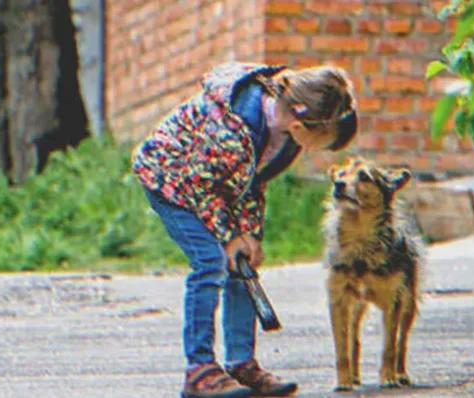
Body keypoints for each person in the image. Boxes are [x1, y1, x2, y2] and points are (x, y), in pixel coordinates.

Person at [132, 61, 358, 398]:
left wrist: (249, 234)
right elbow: (202, 187)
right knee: (211, 262)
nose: (315, 150)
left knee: (242, 263)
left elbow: (253, 183)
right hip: (171, 179)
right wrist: (229, 236)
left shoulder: (284, 139)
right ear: (300, 124)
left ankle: (240, 363)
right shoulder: (231, 126)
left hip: (215, 185)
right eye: (320, 142)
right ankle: (200, 371)